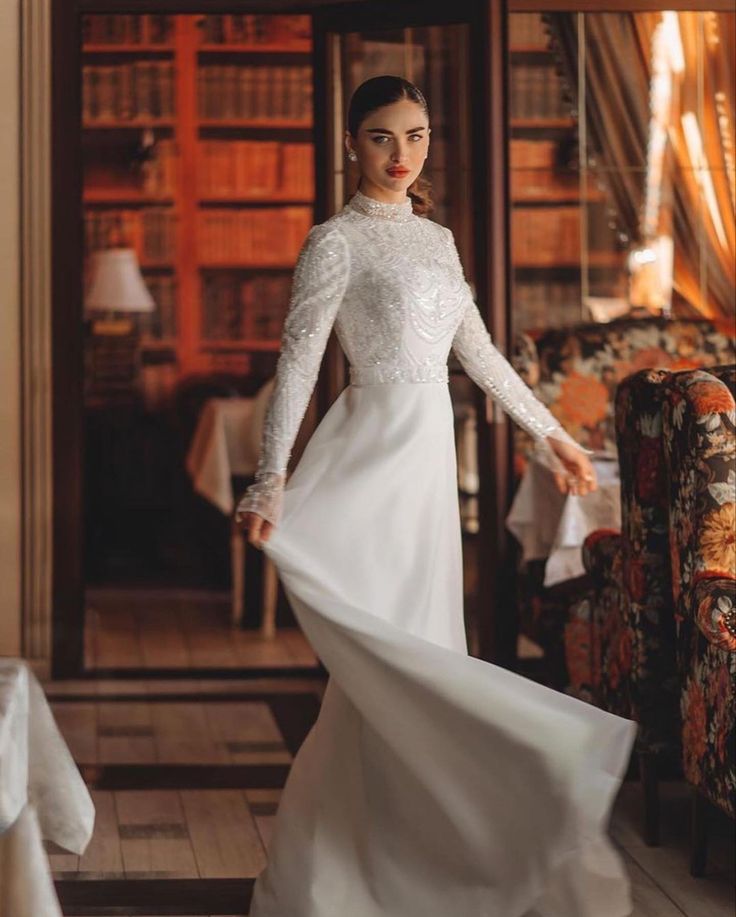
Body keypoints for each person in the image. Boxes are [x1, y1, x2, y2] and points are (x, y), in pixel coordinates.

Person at [235, 75, 636, 917]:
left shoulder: (441, 240)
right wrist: (271, 476)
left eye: (415, 136)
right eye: (382, 136)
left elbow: (480, 354)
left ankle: (421, 862)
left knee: (427, 652)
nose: (401, 155)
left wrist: (550, 432)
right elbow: (300, 366)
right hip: (366, 459)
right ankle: (359, 870)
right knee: (383, 661)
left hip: (424, 464)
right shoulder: (334, 241)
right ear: (352, 142)